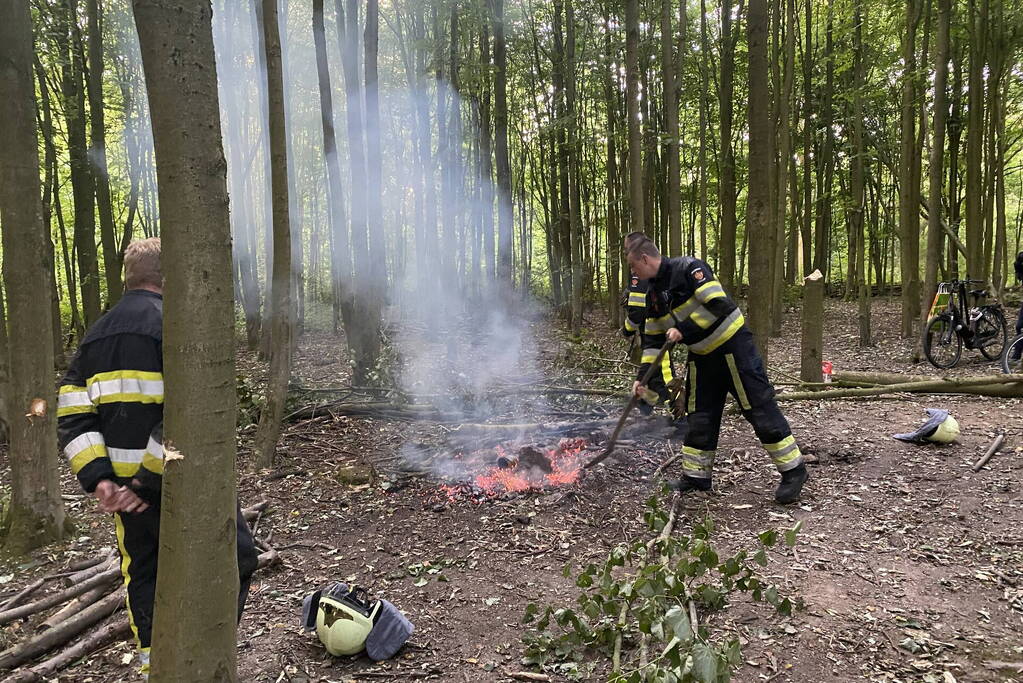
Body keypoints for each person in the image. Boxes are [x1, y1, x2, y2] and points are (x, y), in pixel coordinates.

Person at [56, 238, 258, 678]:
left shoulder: (95, 335)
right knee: (237, 559)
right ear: (170, 277)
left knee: (145, 576)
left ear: (131, 277)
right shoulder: (177, 329)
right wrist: (142, 484)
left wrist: (101, 480)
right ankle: (204, 658)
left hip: (127, 500)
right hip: (178, 487)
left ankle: (158, 667)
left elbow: (72, 414)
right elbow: (187, 416)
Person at [624, 239, 808, 504]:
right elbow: (653, 340)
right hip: (701, 356)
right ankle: (696, 476)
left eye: (633, 267)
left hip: (733, 349)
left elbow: (718, 304)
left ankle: (794, 471)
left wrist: (684, 330)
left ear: (644, 259)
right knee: (699, 413)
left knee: (757, 407)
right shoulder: (652, 293)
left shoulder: (690, 268)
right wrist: (642, 379)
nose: (634, 274)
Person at [620, 233, 679, 419]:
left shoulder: (640, 271)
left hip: (658, 330)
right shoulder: (646, 271)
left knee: (663, 371)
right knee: (652, 373)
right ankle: (647, 406)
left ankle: (679, 412)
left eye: (627, 247)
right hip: (655, 329)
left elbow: (637, 310)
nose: (625, 251)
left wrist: (627, 329)